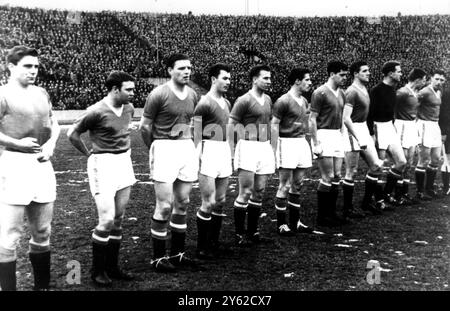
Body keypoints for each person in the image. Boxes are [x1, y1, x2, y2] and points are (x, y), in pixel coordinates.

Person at [67, 71, 136, 287]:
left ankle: (112, 267)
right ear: (115, 89)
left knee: (118, 219)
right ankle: (97, 271)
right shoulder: (95, 111)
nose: (133, 93)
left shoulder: (129, 108)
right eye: (129, 89)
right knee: (106, 220)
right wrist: (89, 153)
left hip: (124, 163)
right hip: (102, 164)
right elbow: (72, 134)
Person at [0, 46, 60, 291]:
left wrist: (51, 145)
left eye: (36, 66)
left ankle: (41, 287)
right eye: (27, 66)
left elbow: (54, 123)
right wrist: (16, 143)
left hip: (41, 164)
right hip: (13, 165)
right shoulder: (2, 94)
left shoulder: (41, 93)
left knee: (43, 231)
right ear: (11, 67)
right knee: (11, 233)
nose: (33, 71)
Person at [139, 53, 199, 272]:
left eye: (189, 68)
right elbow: (144, 127)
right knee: (164, 206)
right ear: (169, 71)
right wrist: (155, 147)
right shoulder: (158, 94)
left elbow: (194, 121)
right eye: (182, 68)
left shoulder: (193, 94)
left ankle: (177, 254)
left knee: (182, 202)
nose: (187, 71)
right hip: (164, 147)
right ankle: (157, 257)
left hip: (186, 147)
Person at [229, 64, 275, 245]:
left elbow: (269, 124)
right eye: (265, 78)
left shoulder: (269, 99)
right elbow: (231, 124)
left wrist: (271, 145)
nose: (269, 82)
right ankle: (240, 233)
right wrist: (231, 151)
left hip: (263, 147)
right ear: (254, 79)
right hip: (247, 147)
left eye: (270, 78)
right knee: (245, 192)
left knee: (259, 192)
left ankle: (253, 231)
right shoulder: (243, 100)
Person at [193, 64, 232, 258]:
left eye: (229, 79)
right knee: (207, 202)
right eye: (224, 78)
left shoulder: (227, 103)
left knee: (220, 201)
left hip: (223, 150)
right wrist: (198, 155)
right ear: (213, 79)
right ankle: (202, 246)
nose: (228, 82)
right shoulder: (204, 103)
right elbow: (196, 132)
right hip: (208, 149)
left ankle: (214, 242)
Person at [271, 68, 314, 235]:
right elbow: (274, 124)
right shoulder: (283, 101)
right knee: (285, 185)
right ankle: (282, 224)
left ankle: (296, 222)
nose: (310, 83)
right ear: (297, 81)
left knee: (297, 185)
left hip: (301, 143)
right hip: (286, 143)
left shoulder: (303, 101)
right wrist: (274, 149)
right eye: (307, 80)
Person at [342, 61, 385, 217]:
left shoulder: (364, 88)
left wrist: (369, 134)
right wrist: (357, 136)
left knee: (376, 165)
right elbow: (346, 118)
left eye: (369, 70)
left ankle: (366, 203)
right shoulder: (351, 91)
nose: (369, 73)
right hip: (351, 130)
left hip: (363, 129)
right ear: (355, 73)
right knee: (351, 172)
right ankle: (347, 209)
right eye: (365, 71)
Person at [309, 61, 348, 227]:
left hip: (336, 135)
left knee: (337, 176)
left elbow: (343, 120)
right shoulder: (320, 92)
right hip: (323, 135)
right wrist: (316, 143)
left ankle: (331, 213)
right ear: (332, 74)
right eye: (342, 74)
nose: (345, 78)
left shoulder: (342, 93)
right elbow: (312, 119)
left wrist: (343, 137)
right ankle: (322, 216)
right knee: (328, 176)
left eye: (346, 75)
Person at [368, 61, 407, 209]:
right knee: (379, 165)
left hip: (390, 127)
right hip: (378, 127)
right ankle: (378, 200)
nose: (401, 73)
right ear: (390, 73)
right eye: (399, 71)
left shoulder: (393, 89)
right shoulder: (376, 90)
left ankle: (385, 194)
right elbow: (370, 114)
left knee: (401, 162)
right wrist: (372, 134)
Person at [394, 68, 428, 203]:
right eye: (424, 80)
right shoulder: (402, 92)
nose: (425, 83)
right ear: (418, 79)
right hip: (402, 126)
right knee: (402, 161)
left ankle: (405, 193)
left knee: (410, 162)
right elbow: (391, 108)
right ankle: (397, 194)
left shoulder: (415, 93)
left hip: (412, 126)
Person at [415, 69, 447, 199]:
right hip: (424, 125)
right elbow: (413, 107)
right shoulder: (424, 92)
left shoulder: (439, 91)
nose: (439, 82)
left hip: (435, 125)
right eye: (437, 79)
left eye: (442, 80)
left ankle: (429, 188)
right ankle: (420, 191)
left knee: (435, 159)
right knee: (424, 159)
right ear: (431, 79)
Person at [439, 84, 450, 195]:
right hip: (448, 129)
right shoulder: (447, 92)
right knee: (448, 159)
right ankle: (446, 186)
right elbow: (444, 114)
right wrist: (444, 132)